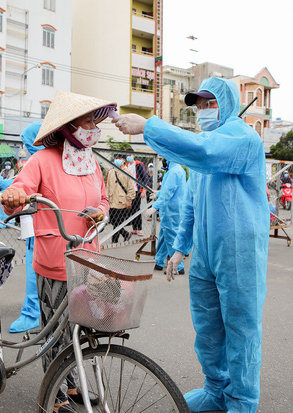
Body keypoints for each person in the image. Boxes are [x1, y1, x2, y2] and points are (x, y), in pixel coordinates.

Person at [113, 77, 269, 413]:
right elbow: (192, 205)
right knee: (208, 328)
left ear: (225, 103)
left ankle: (242, 401)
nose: (201, 110)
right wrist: (180, 247)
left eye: (208, 102)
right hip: (205, 254)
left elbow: (205, 151)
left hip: (238, 251)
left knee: (241, 328)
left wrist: (148, 125)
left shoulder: (243, 138)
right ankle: (216, 390)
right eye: (197, 105)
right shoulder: (205, 151)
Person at [1, 90, 111, 412]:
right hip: (55, 260)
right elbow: (21, 186)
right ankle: (54, 394)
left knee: (80, 330)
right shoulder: (42, 160)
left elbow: (103, 199)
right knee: (55, 334)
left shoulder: (91, 163)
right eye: (88, 121)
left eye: (94, 120)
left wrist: (100, 211)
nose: (94, 127)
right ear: (68, 126)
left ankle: (73, 384)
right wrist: (14, 195)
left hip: (88, 258)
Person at [8, 122, 44, 333]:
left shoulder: (37, 161)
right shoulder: (64, 158)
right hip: (52, 225)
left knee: (34, 267)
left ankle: (32, 313)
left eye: (26, 141)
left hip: (39, 226)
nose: (25, 146)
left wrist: (7, 189)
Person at [147, 161, 187, 273]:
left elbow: (169, 192)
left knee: (171, 237)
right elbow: (170, 189)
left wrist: (154, 206)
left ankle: (178, 266)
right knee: (164, 236)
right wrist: (158, 193)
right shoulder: (174, 169)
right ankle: (159, 261)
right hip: (172, 208)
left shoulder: (174, 171)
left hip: (171, 210)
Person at [106, 153, 135, 243]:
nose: (117, 160)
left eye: (120, 158)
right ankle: (126, 234)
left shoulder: (128, 172)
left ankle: (114, 240)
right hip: (112, 200)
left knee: (118, 221)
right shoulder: (111, 171)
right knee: (114, 221)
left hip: (121, 200)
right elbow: (108, 186)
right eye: (116, 158)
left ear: (124, 160)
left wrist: (129, 199)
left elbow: (131, 187)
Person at [125, 153, 150, 237]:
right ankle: (134, 228)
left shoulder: (138, 165)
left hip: (137, 190)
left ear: (133, 156)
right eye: (127, 155)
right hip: (129, 191)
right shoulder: (126, 165)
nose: (128, 157)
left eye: (130, 155)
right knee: (131, 210)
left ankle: (139, 229)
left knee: (137, 209)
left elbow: (145, 178)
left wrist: (143, 190)